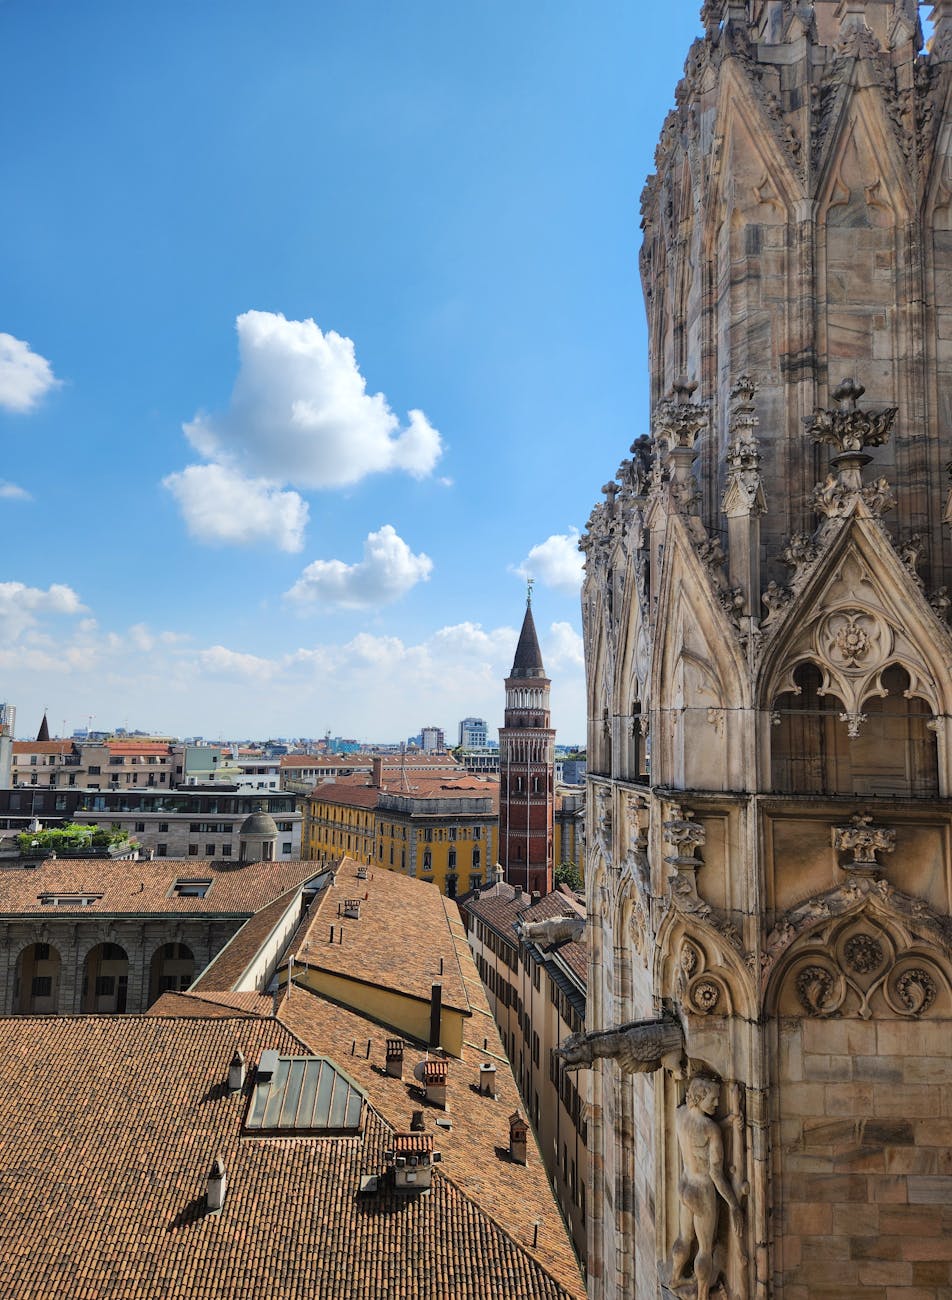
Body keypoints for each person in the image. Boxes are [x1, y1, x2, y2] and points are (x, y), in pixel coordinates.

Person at [670, 1075, 743, 1300]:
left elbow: (695, 1136)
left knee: (684, 1238)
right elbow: (716, 1175)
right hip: (702, 1192)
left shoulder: (680, 1113)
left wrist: (727, 1122)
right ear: (700, 1097)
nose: (717, 1104)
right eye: (713, 1099)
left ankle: (675, 1277)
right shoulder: (711, 1130)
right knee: (704, 1248)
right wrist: (734, 1205)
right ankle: (702, 1296)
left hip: (685, 1185)